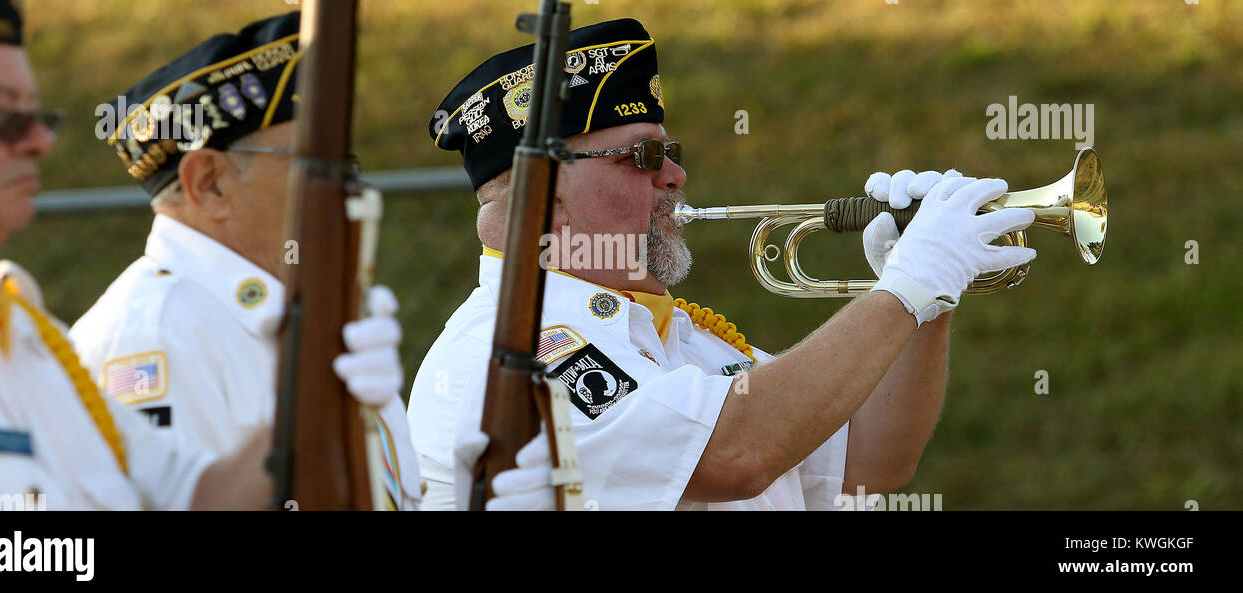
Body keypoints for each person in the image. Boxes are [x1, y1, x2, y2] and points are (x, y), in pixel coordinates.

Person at [408, 18, 1037, 510]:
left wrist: (927, 305)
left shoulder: (673, 334)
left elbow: (869, 467)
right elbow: (739, 453)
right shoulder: (511, 349)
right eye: (642, 160)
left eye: (669, 154)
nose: (675, 176)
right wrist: (905, 286)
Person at [67, 11, 554, 510]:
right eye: (319, 166)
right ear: (209, 183)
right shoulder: (154, 333)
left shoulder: (309, 318)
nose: (351, 188)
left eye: (347, 164)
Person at [0, 0, 267, 510]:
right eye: (4, 116)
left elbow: (196, 496)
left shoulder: (25, 343)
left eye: (35, 116)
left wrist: (316, 386)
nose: (39, 142)